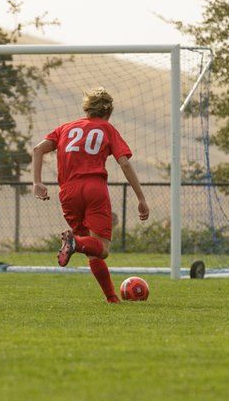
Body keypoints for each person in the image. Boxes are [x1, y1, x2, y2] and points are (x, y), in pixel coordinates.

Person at [32, 88, 149, 303]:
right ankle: (74, 243)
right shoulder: (106, 128)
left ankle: (112, 298)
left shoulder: (65, 128)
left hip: (67, 192)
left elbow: (38, 150)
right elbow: (124, 162)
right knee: (101, 249)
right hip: (94, 189)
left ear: (86, 110)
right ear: (108, 114)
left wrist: (37, 182)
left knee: (91, 249)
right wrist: (140, 198)